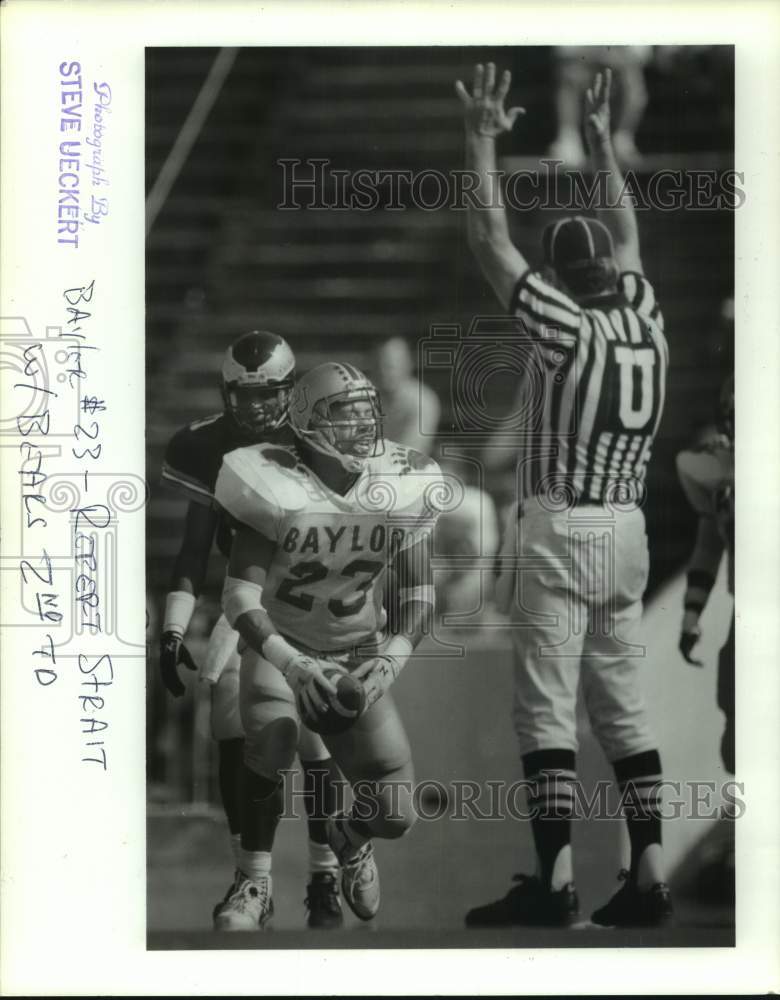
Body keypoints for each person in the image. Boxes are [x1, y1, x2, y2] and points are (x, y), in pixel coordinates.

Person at [456, 64, 671, 927]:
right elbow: (624, 225)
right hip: (629, 530)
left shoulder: (566, 328)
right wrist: (596, 142)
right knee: (622, 700)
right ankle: (647, 868)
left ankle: (552, 884)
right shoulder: (645, 315)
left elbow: (485, 234)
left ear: (559, 278)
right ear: (615, 272)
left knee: (544, 704)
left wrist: (479, 135)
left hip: (563, 524)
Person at [212, 361, 443, 931]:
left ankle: (351, 836)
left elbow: (419, 594)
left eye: (369, 412)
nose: (363, 426)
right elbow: (241, 598)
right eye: (346, 414)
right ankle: (252, 883)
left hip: (357, 650)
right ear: (308, 423)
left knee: (396, 815)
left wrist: (392, 656)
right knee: (273, 738)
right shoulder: (271, 479)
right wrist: (288, 664)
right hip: (283, 646)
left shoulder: (400, 480)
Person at [159, 330, 345, 929]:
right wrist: (173, 629)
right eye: (243, 396)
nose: (256, 408)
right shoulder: (209, 448)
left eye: (268, 395)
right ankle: (252, 879)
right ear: (226, 395)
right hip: (247, 603)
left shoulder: (319, 441)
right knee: (229, 719)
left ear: (292, 393)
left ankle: (326, 873)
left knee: (314, 731)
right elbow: (192, 552)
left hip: (315, 602)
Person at [676, 374, 735, 775]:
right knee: (736, 735)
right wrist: (691, 613)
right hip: (749, 615)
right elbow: (709, 543)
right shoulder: (717, 469)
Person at [374, 336, 441, 454]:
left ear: (408, 365)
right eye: (379, 365)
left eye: (390, 366)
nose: (383, 372)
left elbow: (409, 454)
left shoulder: (423, 400)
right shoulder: (366, 397)